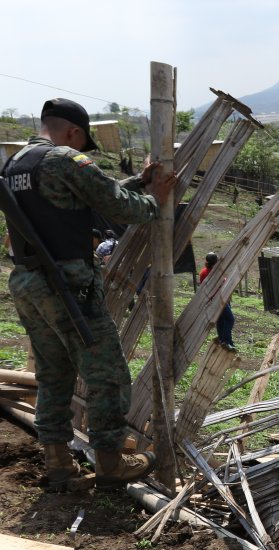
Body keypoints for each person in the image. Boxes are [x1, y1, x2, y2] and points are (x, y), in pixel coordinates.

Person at [3, 97, 175, 492]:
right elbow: (118, 207)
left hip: (28, 284)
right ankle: (112, 464)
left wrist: (137, 182)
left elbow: (73, 203)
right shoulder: (65, 158)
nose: (81, 151)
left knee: (53, 373)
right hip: (67, 285)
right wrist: (154, 198)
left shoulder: (16, 164)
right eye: (82, 144)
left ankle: (58, 463)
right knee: (107, 374)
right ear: (74, 132)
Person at [200, 252, 236, 351]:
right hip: (219, 300)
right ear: (216, 262)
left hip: (217, 299)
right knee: (230, 319)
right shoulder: (215, 273)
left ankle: (222, 340)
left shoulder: (204, 272)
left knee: (221, 320)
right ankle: (226, 341)